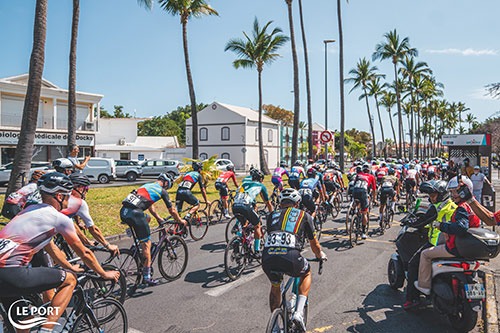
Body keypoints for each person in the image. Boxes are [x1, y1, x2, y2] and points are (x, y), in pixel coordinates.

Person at [0, 172, 119, 333]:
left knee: (24, 323)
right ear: (59, 196)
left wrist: (70, 265)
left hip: (4, 277)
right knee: (69, 280)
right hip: (12, 273)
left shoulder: (28, 211)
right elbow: (85, 253)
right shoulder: (58, 218)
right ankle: (47, 330)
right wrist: (104, 274)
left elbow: (51, 248)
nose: (69, 200)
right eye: (68, 196)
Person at [262, 188, 327, 332]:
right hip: (291, 257)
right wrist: (320, 255)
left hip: (268, 257)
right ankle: (298, 313)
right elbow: (314, 244)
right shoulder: (305, 215)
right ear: (297, 203)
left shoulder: (271, 215)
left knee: (275, 286)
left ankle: (274, 327)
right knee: (306, 272)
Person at [415, 176, 480, 295]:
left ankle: (424, 286)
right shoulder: (475, 206)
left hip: (455, 248)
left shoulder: (462, 207)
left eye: (456, 191)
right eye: (451, 192)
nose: (453, 194)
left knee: (425, 254)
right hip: (470, 248)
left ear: (465, 190)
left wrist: (442, 226)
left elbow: (461, 227)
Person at [121, 173, 185, 285]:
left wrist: (158, 218)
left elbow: (150, 205)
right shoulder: (162, 191)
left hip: (124, 212)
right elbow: (172, 211)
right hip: (136, 214)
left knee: (148, 218)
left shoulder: (147, 185)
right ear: (166, 183)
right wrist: (180, 221)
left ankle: (136, 240)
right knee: (147, 244)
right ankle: (147, 276)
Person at [403, 180, 457, 310]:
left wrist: (409, 223)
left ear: (441, 194)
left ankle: (412, 299)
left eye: (433, 195)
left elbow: (422, 221)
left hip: (436, 243)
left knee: (413, 264)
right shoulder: (452, 205)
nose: (430, 197)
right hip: (455, 244)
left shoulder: (437, 208)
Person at [61, 173, 119, 256]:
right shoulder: (80, 203)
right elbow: (93, 229)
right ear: (79, 188)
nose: (86, 192)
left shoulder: (61, 196)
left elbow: (68, 216)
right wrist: (107, 245)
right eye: (86, 188)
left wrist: (78, 222)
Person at [232, 168, 273, 258]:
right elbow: (268, 203)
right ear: (261, 179)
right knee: (257, 225)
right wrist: (272, 214)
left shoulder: (244, 184)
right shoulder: (261, 186)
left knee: (244, 225)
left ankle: (237, 240)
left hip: (235, 206)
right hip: (246, 206)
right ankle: (257, 251)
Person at [351, 164, 377, 239]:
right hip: (363, 191)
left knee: (356, 202)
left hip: (355, 190)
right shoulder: (371, 176)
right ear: (369, 170)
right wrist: (374, 199)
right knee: (364, 212)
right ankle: (363, 232)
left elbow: (354, 183)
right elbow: (374, 189)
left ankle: (353, 211)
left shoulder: (358, 175)